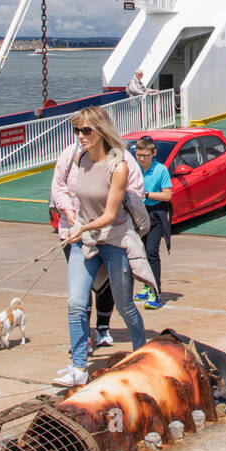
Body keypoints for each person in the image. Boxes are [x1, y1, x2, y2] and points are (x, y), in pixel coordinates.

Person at [51, 106, 154, 388]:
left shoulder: (118, 164)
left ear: (101, 131)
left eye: (86, 130)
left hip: (114, 238)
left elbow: (110, 214)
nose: (80, 136)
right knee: (76, 303)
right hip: (84, 240)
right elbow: (64, 191)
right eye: (77, 130)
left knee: (125, 305)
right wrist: (72, 219)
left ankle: (141, 354)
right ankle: (79, 366)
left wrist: (82, 227)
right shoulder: (77, 159)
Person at [131, 136, 172, 310]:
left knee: (152, 252)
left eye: (145, 155)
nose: (141, 159)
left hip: (155, 214)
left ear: (153, 154)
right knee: (141, 253)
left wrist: (147, 194)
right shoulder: (134, 170)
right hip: (138, 214)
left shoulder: (161, 170)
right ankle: (147, 286)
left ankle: (157, 293)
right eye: (138, 155)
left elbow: (167, 195)